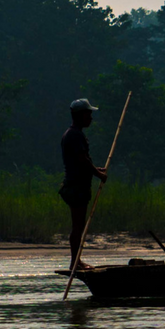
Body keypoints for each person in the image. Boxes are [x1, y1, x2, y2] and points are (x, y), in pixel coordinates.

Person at [59, 98, 107, 270]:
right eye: (88, 114)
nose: (91, 118)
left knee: (78, 226)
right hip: (75, 187)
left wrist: (96, 169)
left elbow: (84, 161)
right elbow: (82, 160)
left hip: (76, 186)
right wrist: (99, 175)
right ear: (80, 116)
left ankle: (76, 261)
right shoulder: (74, 135)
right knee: (78, 227)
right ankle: (75, 262)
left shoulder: (75, 134)